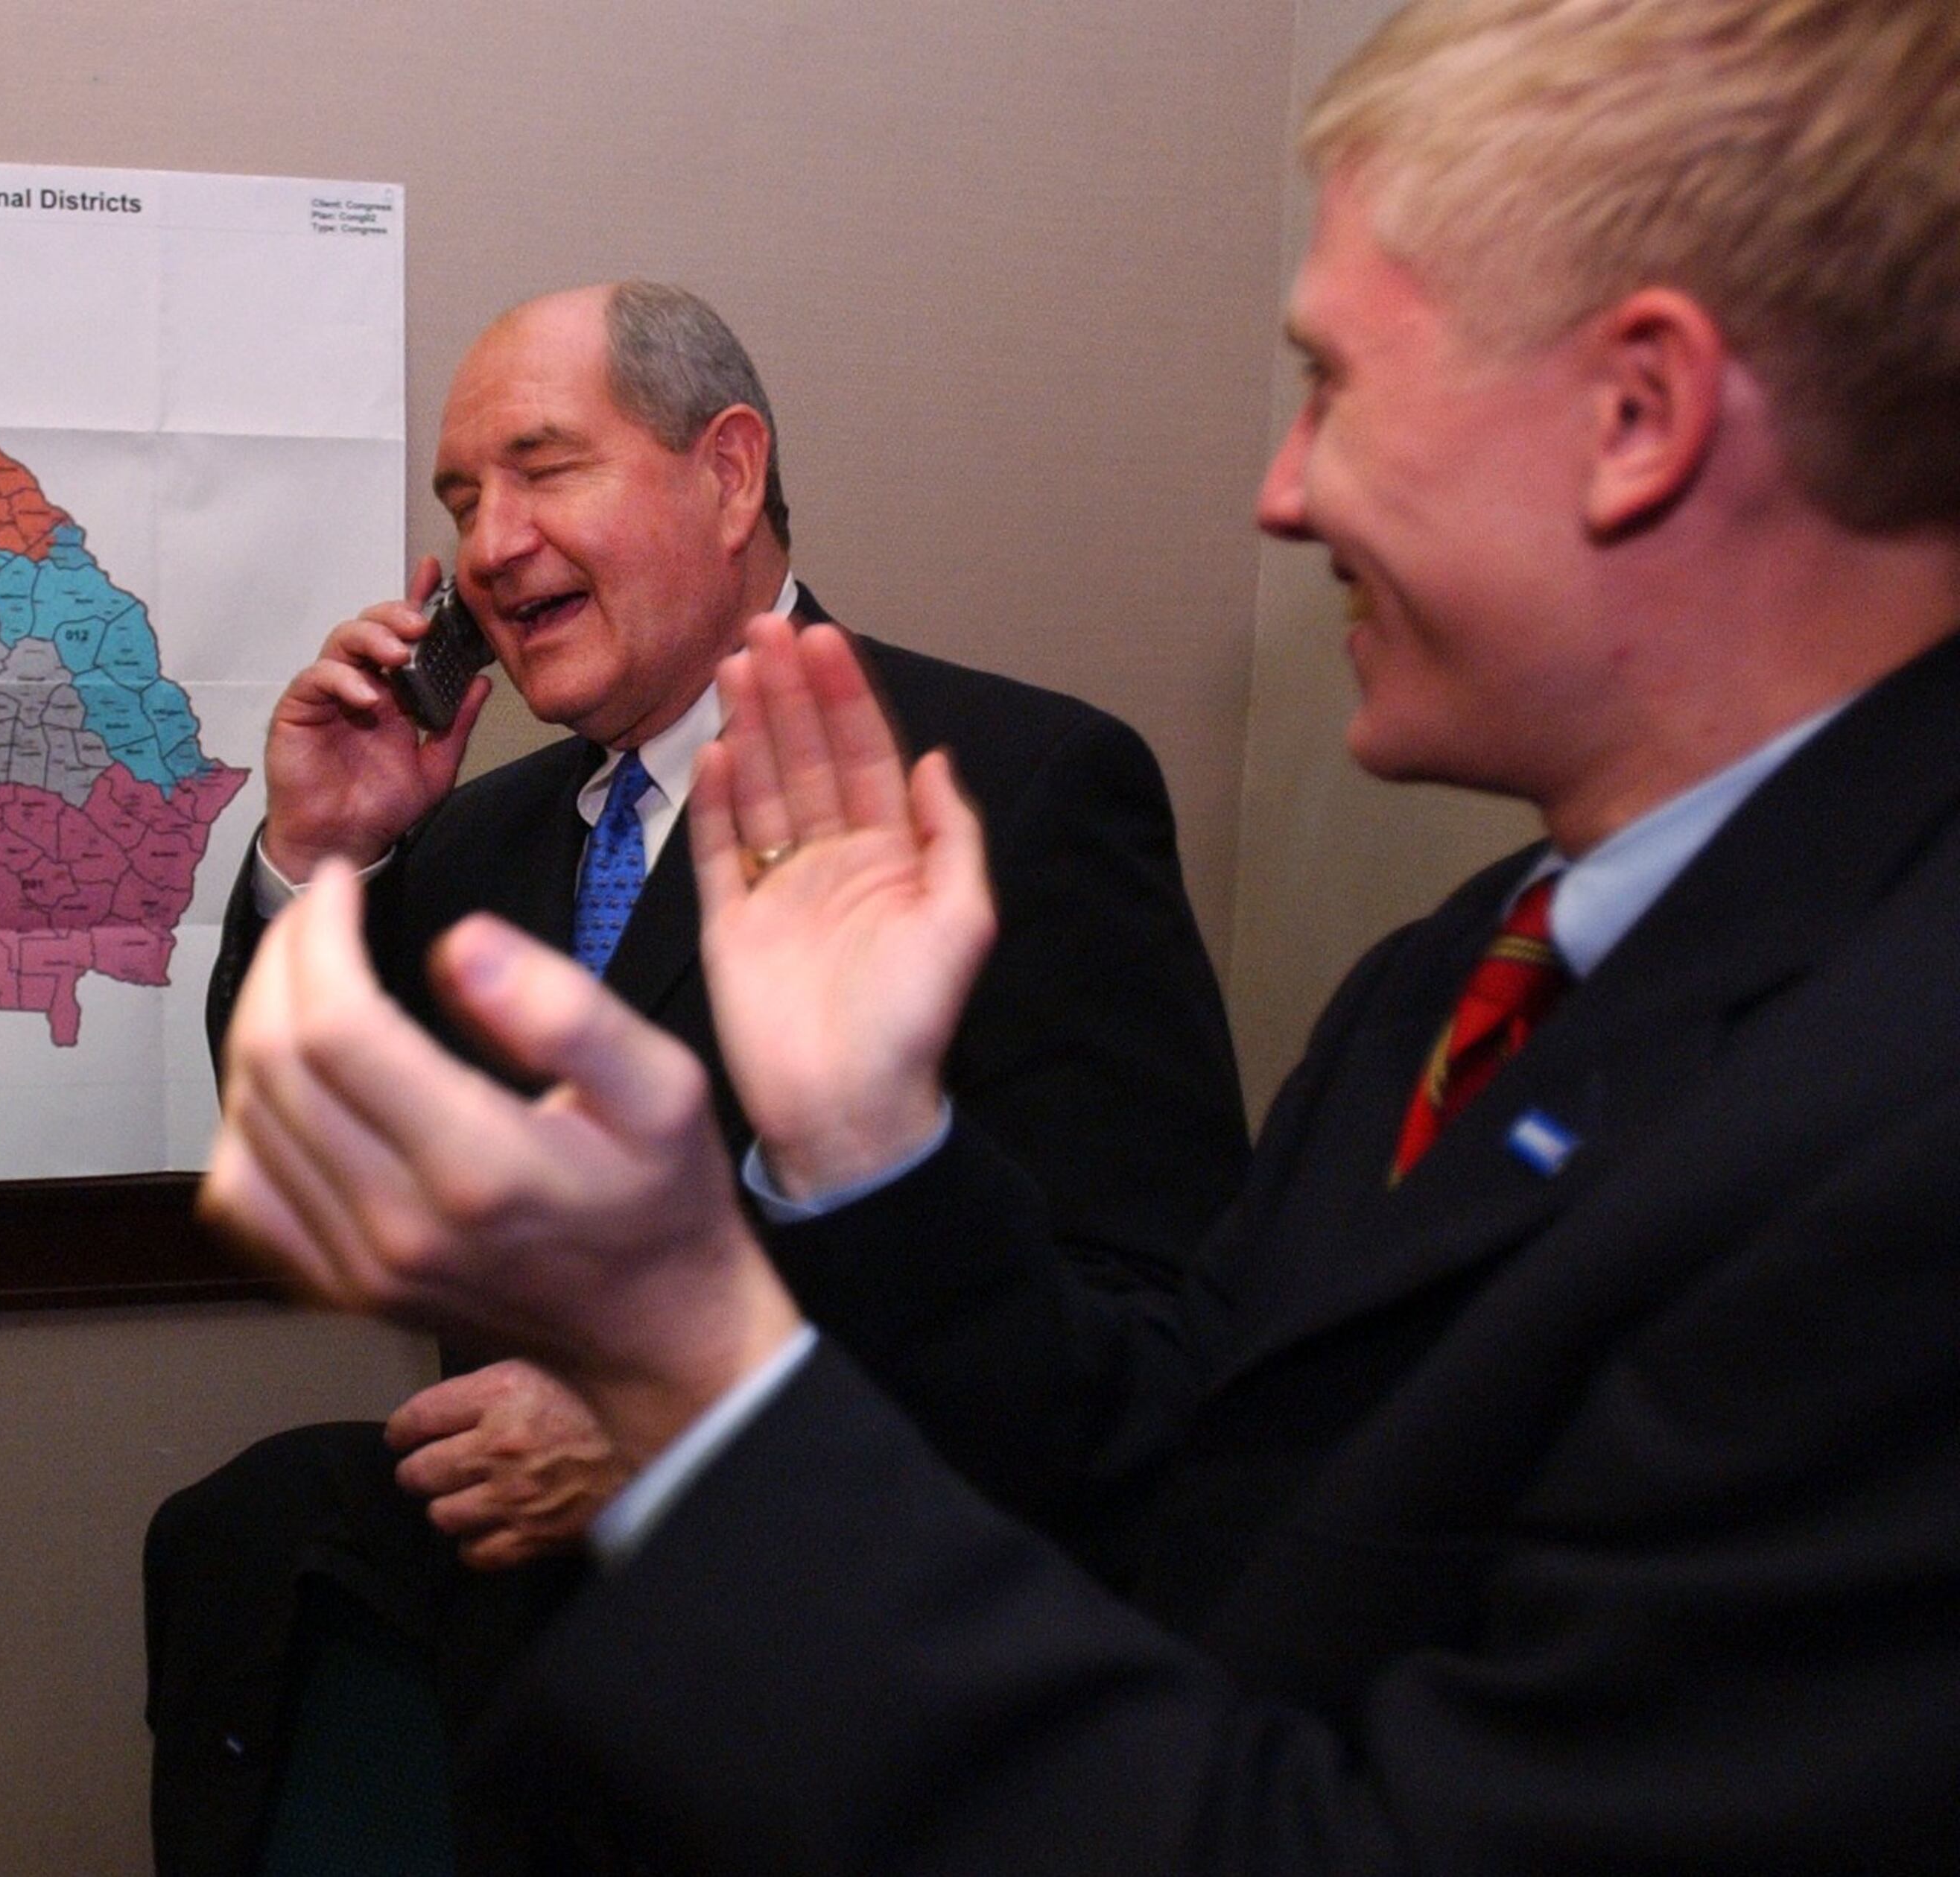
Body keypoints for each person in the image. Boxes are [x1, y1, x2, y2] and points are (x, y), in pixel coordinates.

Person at [197, 0, 1960, 1867]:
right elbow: (1167, 1469)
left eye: (1339, 387)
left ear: (1642, 417)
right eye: (463, 499)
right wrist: (870, 1156)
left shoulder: (1898, 1130)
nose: (1283, 494)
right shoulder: (1448, 981)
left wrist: (682, 1389)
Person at [152, 281, 1248, 1870]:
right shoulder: (474, 838)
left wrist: (685, 1421)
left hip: (845, 1734)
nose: (491, 543)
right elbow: (301, 1132)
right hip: (528, 1721)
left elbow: (1145, 1353)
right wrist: (319, 857)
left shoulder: (1013, 788)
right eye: (464, 501)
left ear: (729, 474)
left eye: (546, 470)